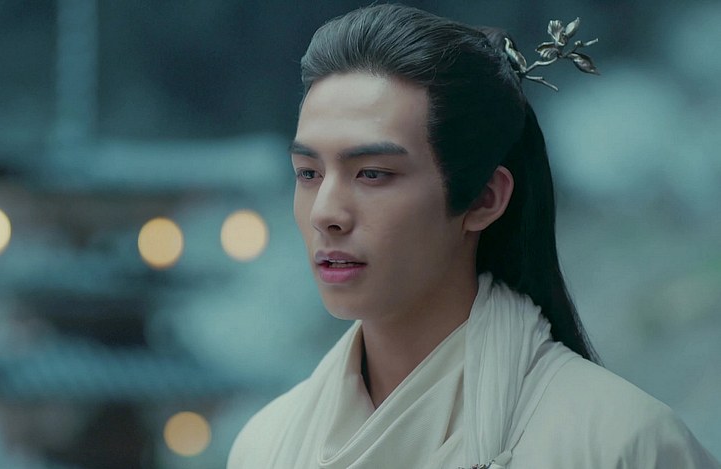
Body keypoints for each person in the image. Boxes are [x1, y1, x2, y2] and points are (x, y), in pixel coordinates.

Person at [228, 4, 720, 468]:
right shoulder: (266, 445)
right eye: (308, 173)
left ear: (484, 198)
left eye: (373, 173)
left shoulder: (622, 443)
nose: (325, 213)